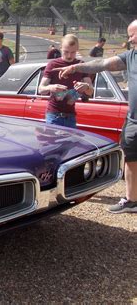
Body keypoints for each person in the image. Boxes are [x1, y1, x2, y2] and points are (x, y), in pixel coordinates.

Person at [53, 20, 137, 214]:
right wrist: (76, 68)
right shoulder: (130, 56)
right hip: (133, 119)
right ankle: (132, 200)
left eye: (132, 34)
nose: (129, 38)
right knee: (131, 158)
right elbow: (103, 64)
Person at [38, 34, 94, 129]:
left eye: (73, 52)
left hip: (71, 116)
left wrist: (86, 87)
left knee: (70, 143)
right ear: (60, 48)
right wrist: (51, 87)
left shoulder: (80, 65)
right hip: (54, 115)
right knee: (53, 143)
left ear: (77, 49)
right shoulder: (53, 65)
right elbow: (41, 89)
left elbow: (90, 91)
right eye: (66, 52)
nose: (69, 56)